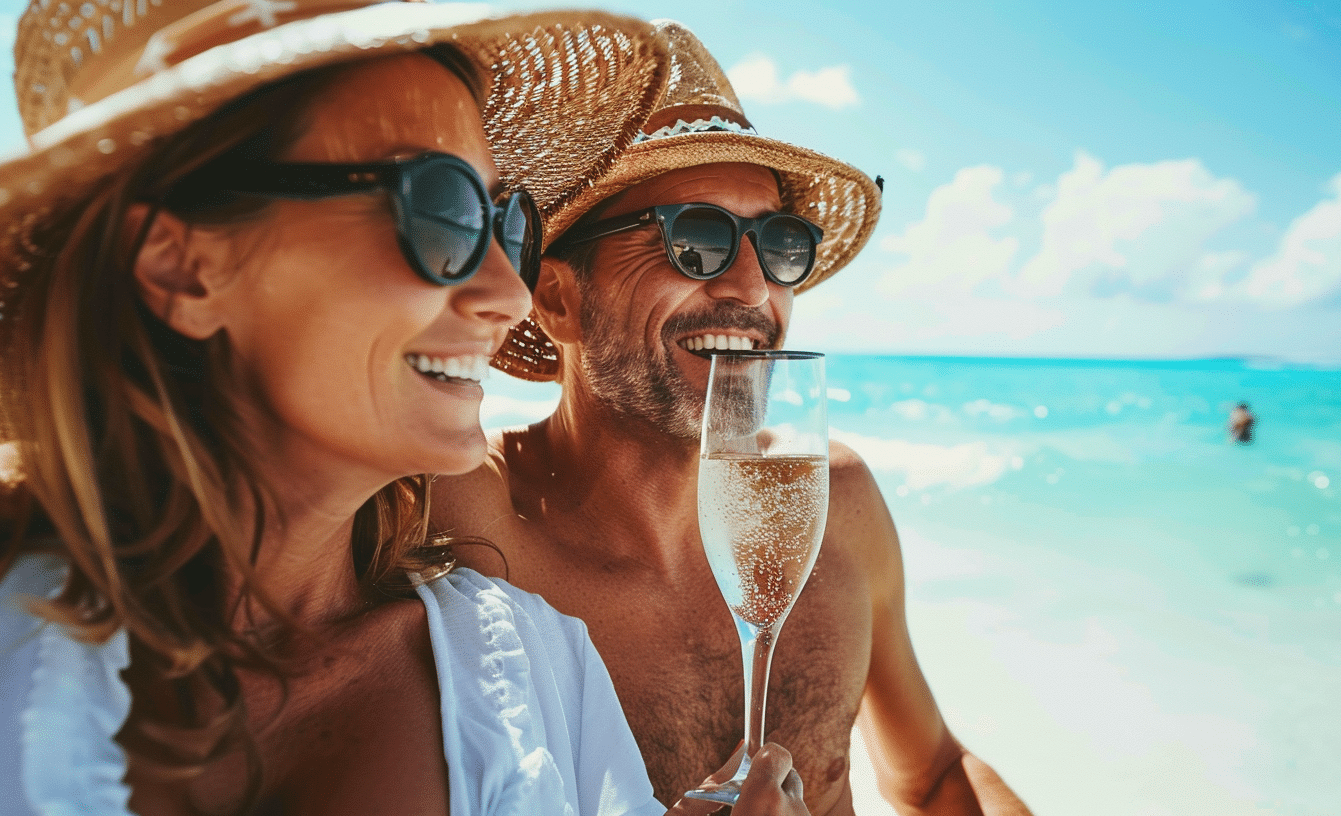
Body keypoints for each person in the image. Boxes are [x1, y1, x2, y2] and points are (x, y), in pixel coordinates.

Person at [0, 3, 808, 814]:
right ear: (182, 267)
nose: (506, 291)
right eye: (441, 209)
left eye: (507, 223)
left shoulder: (537, 665)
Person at [432, 21, 1034, 816]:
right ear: (555, 298)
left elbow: (928, 777)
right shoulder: (462, 523)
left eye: (781, 245)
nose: (752, 288)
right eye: (698, 240)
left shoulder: (836, 504)